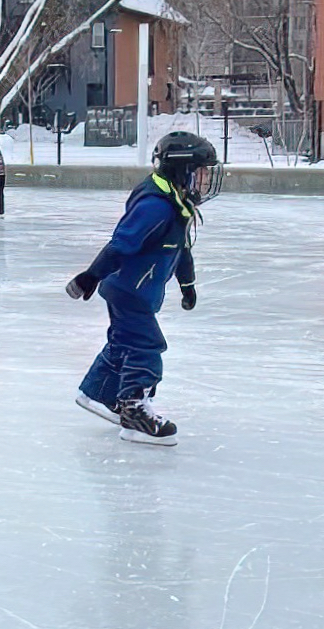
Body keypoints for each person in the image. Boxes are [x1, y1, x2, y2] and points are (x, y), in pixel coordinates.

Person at [65, 131, 223, 447]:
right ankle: (134, 410)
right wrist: (90, 276)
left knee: (123, 344)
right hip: (129, 290)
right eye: (201, 173)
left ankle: (97, 394)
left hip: (139, 289)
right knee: (146, 346)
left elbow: (181, 249)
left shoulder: (177, 202)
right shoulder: (156, 206)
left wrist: (187, 285)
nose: (206, 181)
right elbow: (121, 245)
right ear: (182, 170)